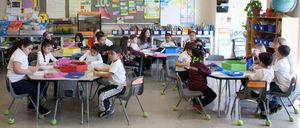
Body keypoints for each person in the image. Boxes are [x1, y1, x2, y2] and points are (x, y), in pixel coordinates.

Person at [7, 39, 51, 115]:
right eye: (29, 49)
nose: (30, 51)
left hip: (17, 81)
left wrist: (33, 68)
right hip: (15, 83)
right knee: (36, 89)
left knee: (42, 81)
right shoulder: (18, 55)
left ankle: (32, 104)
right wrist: (30, 71)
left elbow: (24, 66)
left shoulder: (21, 53)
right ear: (22, 46)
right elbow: (17, 70)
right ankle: (38, 107)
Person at [94, 45, 126, 117]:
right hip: (114, 85)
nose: (110, 55)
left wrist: (97, 73)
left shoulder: (116, 64)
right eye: (109, 53)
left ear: (118, 55)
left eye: (112, 54)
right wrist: (100, 69)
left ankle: (105, 110)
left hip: (118, 87)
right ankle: (107, 106)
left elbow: (109, 74)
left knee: (102, 95)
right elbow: (109, 69)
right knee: (100, 91)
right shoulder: (114, 61)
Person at [187, 44, 217, 113]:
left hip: (191, 84)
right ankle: (199, 105)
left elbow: (200, 69)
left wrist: (205, 66)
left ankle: (195, 102)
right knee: (213, 95)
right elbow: (208, 71)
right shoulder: (200, 64)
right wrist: (210, 68)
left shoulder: (192, 62)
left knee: (202, 92)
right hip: (199, 85)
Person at [245, 52, 274, 119]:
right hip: (266, 90)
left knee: (258, 95)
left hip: (255, 92)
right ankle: (264, 111)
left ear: (261, 62)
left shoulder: (260, 71)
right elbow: (268, 77)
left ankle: (263, 111)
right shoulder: (271, 70)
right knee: (261, 98)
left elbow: (252, 79)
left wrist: (248, 76)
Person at [269, 45, 291, 114]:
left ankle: (274, 106)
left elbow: (270, 68)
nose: (275, 51)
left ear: (279, 53)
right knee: (268, 84)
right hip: (282, 83)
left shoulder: (281, 63)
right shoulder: (282, 60)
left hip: (282, 86)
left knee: (265, 89)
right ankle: (275, 104)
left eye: (277, 50)